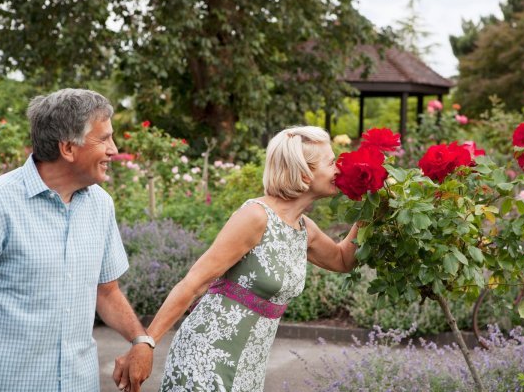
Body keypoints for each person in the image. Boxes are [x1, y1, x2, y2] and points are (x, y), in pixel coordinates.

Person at [115, 126, 361, 391]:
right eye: (331, 162)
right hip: (206, 359)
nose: (339, 169)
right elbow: (194, 282)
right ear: (303, 171)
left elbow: (343, 260)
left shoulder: (304, 228)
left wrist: (371, 209)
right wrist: (147, 343)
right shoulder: (256, 216)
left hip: (249, 366)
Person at [0, 89, 153, 392]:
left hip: (78, 383)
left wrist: (140, 340)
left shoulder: (100, 204)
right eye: (104, 138)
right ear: (68, 148)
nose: (114, 149)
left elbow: (107, 291)